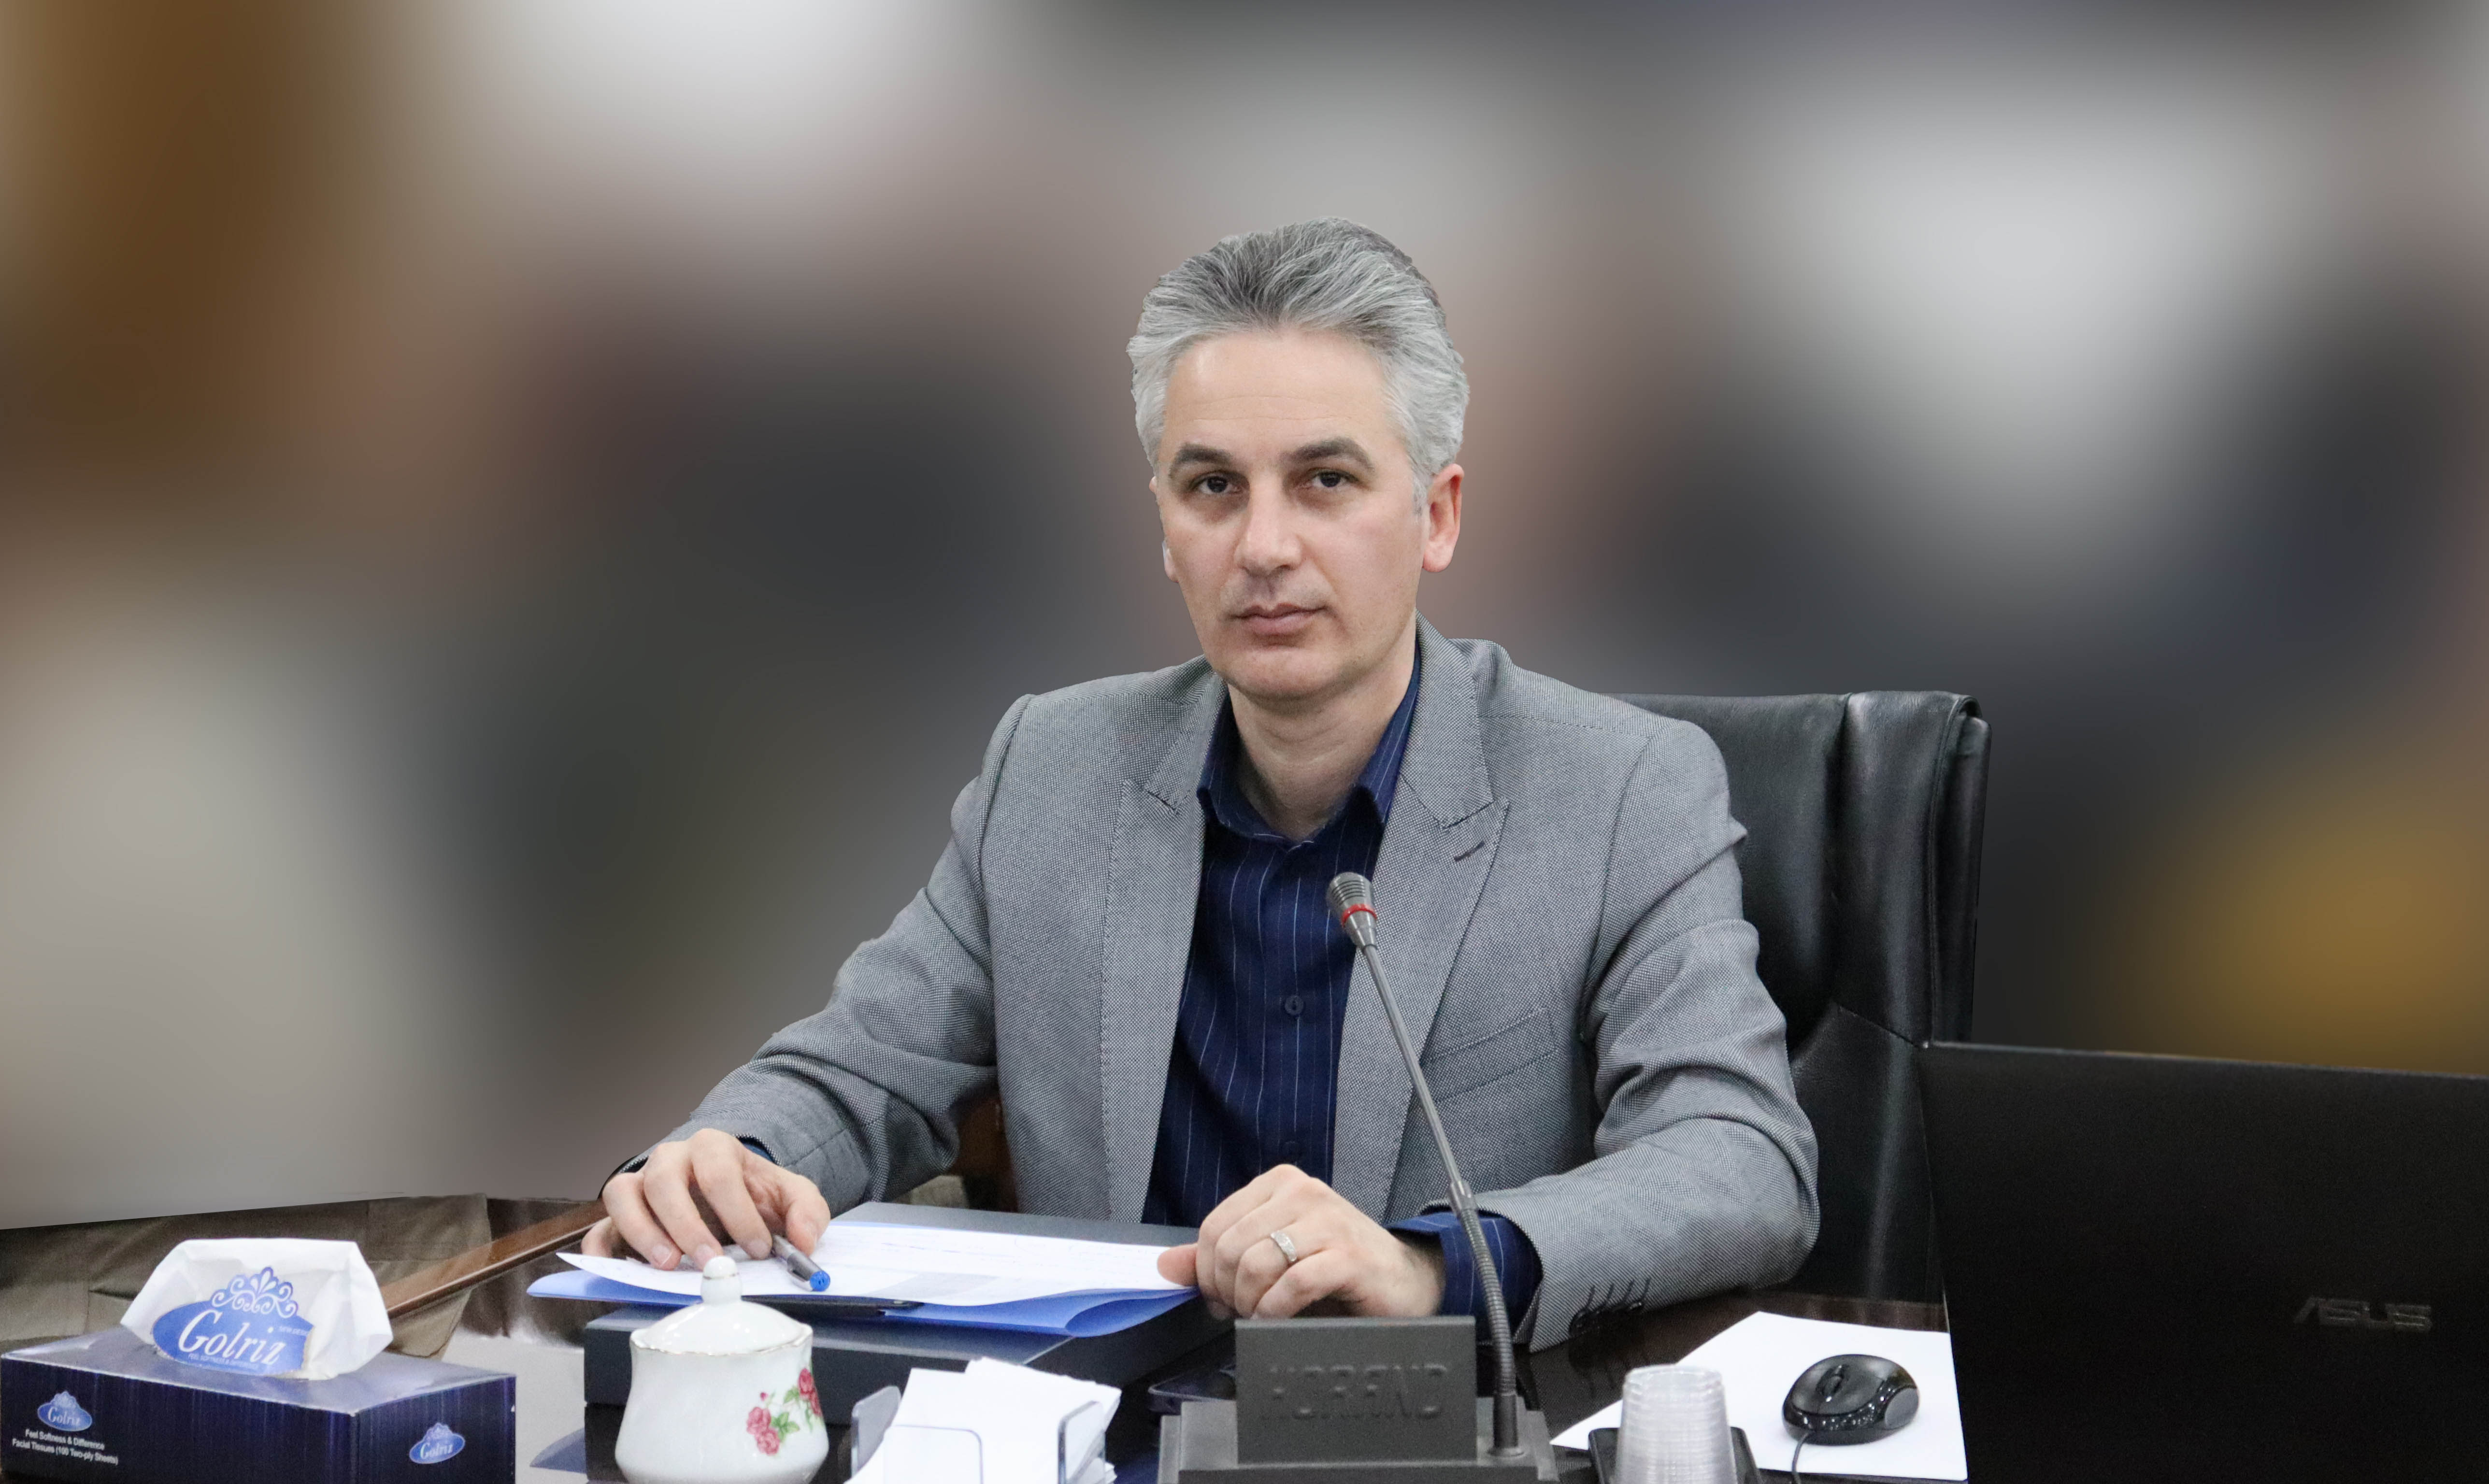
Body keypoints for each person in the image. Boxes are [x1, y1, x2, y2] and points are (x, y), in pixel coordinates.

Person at [586, 218, 1818, 1346]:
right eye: (1213, 487)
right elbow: (861, 1068)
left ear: (1435, 517)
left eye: (1325, 481)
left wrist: (1429, 1263)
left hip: (1425, 1435)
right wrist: (728, 1156)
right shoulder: (1052, 768)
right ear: (1164, 529)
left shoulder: (1620, 790)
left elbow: (1738, 1158)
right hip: (1094, 1431)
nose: (1264, 547)